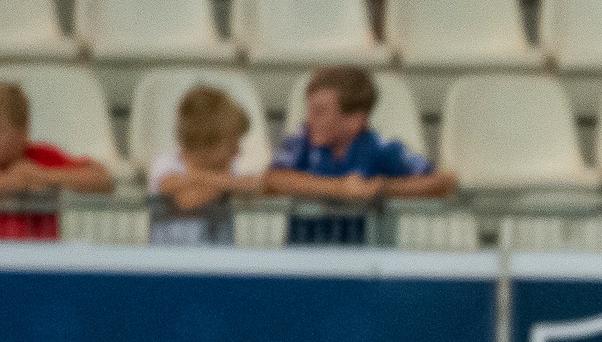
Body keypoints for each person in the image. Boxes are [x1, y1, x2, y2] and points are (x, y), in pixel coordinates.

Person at [263, 66, 457, 205]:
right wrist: (340, 189)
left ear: (354, 121)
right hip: (306, 257)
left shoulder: (380, 148)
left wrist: (382, 188)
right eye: (310, 111)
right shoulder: (303, 141)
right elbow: (273, 179)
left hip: (369, 258)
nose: (309, 120)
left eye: (319, 112)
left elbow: (442, 182)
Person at [0, 83, 114, 240]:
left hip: (40, 260)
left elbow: (102, 180)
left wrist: (43, 175)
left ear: (22, 133)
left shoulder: (40, 157)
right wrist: (10, 181)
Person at [148, 86, 264, 245]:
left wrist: (199, 178)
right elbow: (185, 201)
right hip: (170, 264)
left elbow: (257, 185)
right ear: (205, 145)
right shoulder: (166, 164)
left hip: (218, 263)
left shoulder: (227, 166)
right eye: (231, 145)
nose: (237, 152)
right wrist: (227, 184)